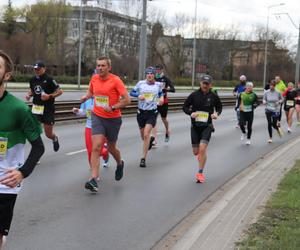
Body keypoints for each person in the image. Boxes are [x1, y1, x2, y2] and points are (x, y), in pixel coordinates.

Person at [0, 51, 45, 249]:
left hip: (4, 181)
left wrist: (22, 172)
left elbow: (39, 147)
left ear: (7, 75)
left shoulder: (18, 109)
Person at [80, 56, 131, 192]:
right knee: (96, 147)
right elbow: (91, 91)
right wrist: (86, 97)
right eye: (98, 65)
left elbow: (127, 100)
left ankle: (120, 163)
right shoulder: (94, 78)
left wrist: (114, 107)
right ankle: (94, 179)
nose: (100, 68)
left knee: (111, 148)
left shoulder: (115, 81)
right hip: (97, 116)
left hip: (113, 119)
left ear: (109, 67)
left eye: (103, 66)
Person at [183, 74, 222, 183]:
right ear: (200, 83)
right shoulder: (194, 95)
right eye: (203, 83)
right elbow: (184, 107)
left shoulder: (213, 96)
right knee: (196, 152)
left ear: (210, 85)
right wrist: (191, 113)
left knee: (202, 148)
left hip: (207, 126)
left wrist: (216, 114)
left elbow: (219, 107)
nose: (205, 85)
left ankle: (200, 173)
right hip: (195, 127)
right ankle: (200, 156)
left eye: (207, 84)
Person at [130, 67, 164, 168]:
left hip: (152, 113)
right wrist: (138, 95)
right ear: (146, 75)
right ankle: (149, 141)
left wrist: (161, 99)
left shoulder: (158, 85)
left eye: (151, 74)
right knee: (143, 137)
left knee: (146, 135)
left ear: (154, 75)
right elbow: (131, 92)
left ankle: (143, 159)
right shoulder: (140, 83)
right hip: (141, 113)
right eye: (148, 74)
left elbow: (161, 94)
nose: (149, 75)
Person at [25, 61, 63, 152]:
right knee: (34, 131)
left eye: (38, 69)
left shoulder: (49, 79)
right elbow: (32, 90)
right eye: (35, 69)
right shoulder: (32, 79)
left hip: (48, 109)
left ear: (44, 69)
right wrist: (29, 95)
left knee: (48, 133)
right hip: (36, 108)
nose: (37, 71)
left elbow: (60, 91)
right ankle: (36, 151)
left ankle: (54, 138)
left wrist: (49, 96)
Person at [73, 97, 109, 169]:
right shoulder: (86, 99)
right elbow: (83, 112)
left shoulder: (102, 98)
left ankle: (106, 155)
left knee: (100, 151)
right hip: (89, 127)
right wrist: (77, 111)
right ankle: (94, 170)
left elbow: (108, 112)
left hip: (101, 127)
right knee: (90, 151)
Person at [151, 64, 175, 145]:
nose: (157, 71)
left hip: (163, 102)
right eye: (156, 69)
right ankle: (154, 139)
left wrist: (166, 89)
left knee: (164, 119)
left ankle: (167, 130)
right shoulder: (153, 78)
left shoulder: (166, 79)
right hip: (154, 101)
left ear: (162, 70)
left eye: (159, 69)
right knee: (153, 119)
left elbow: (173, 89)